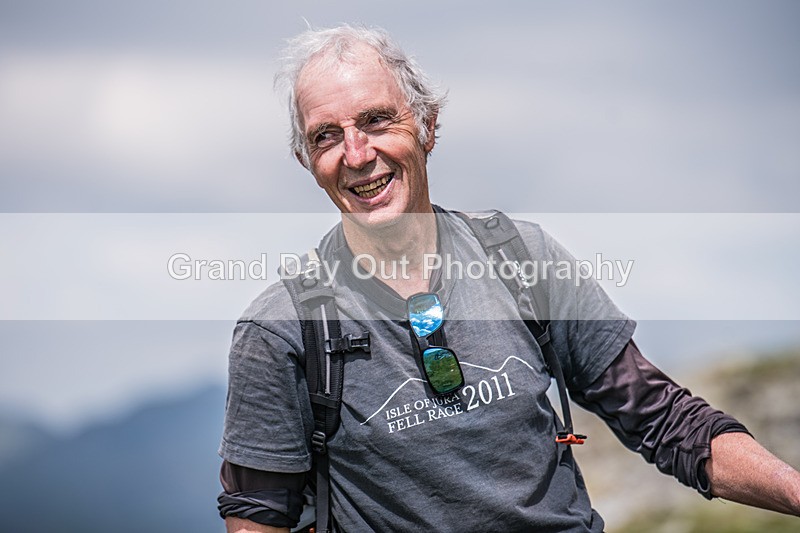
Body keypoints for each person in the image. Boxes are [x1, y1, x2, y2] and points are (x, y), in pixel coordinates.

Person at [218, 24, 800, 532]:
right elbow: (258, 516)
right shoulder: (280, 330)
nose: (356, 152)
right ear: (306, 161)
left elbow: (663, 419)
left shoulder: (521, 258)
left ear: (427, 126)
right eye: (326, 135)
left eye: (376, 120)